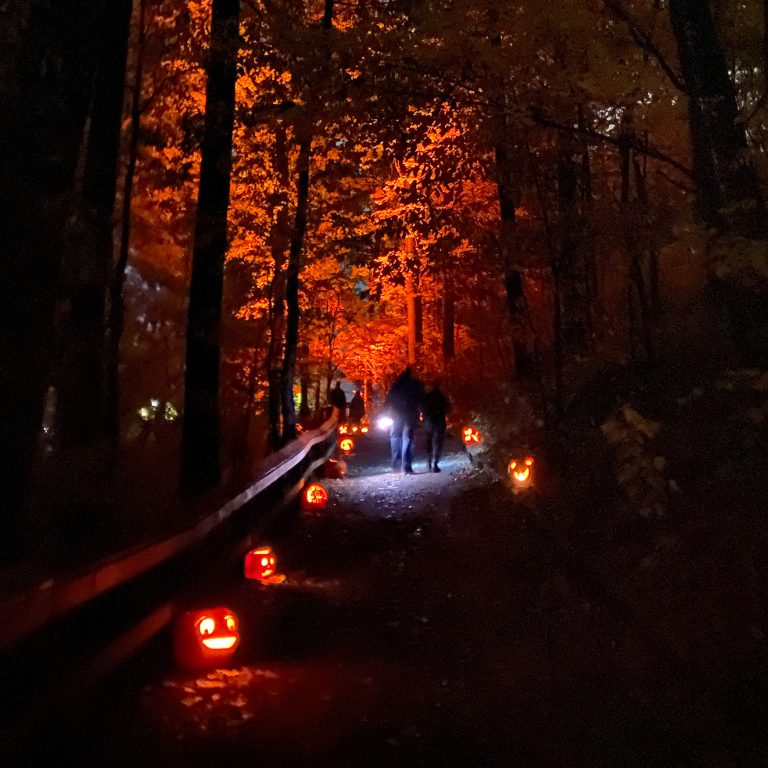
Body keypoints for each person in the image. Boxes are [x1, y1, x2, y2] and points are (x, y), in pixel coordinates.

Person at [383, 365, 424, 474]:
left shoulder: (397, 384)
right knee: (408, 438)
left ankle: (396, 464)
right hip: (410, 414)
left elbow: (389, 398)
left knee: (395, 436)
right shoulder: (416, 384)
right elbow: (421, 399)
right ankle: (406, 466)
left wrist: (385, 411)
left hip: (396, 414)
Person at [422, 379, 450, 473]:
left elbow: (422, 408)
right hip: (439, 422)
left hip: (428, 422)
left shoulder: (426, 397)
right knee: (438, 443)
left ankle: (429, 461)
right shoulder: (441, 396)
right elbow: (448, 408)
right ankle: (435, 464)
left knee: (429, 442)